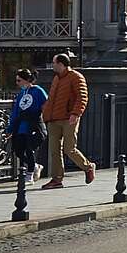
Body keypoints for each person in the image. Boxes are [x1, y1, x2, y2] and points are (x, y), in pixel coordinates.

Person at [41, 53, 94, 188]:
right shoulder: (56, 79)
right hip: (54, 119)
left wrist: (75, 113)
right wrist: (45, 113)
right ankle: (57, 179)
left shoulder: (76, 77)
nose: (52, 65)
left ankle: (88, 167)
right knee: (54, 150)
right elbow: (51, 99)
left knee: (69, 148)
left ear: (61, 64)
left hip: (68, 118)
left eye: (54, 63)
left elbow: (82, 97)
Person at [6, 68, 47, 179]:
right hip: (20, 127)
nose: (17, 83)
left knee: (29, 149)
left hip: (33, 125)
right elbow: (15, 112)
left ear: (26, 80)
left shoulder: (38, 90)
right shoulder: (21, 94)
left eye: (19, 80)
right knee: (18, 151)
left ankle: (29, 174)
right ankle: (34, 166)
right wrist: (10, 128)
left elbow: (46, 105)